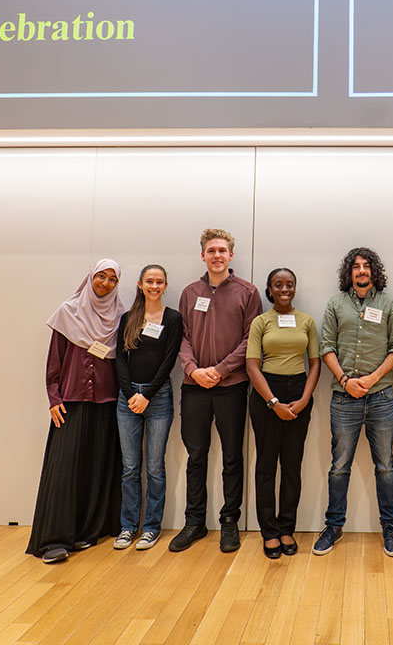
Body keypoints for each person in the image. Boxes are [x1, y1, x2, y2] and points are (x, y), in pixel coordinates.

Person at [26, 259, 125, 564]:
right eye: (100, 276)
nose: (105, 283)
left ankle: (86, 531)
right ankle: (54, 539)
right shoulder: (69, 312)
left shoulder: (120, 318)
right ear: (90, 277)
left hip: (107, 404)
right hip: (71, 402)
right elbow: (54, 362)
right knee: (64, 472)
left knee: (97, 470)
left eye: (112, 279)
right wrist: (54, 398)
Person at [170, 228, 262, 554]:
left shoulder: (248, 292)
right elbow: (181, 336)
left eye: (222, 250)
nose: (217, 255)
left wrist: (221, 371)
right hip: (194, 387)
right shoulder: (189, 292)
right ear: (203, 255)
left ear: (231, 255)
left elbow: (252, 339)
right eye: (211, 251)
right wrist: (194, 369)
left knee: (232, 457)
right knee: (196, 457)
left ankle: (229, 522)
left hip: (232, 388)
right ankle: (194, 522)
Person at [312, 248, 393, 557]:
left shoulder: (389, 303)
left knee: (386, 467)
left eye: (366, 266)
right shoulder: (336, 304)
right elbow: (326, 346)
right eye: (356, 267)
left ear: (374, 271)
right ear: (349, 272)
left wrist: (370, 379)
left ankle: (389, 528)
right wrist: (345, 380)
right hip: (343, 398)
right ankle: (334, 526)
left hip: (380, 397)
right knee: (339, 467)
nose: (361, 271)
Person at [246, 268, 321, 559]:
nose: (285, 289)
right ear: (270, 289)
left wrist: (303, 399)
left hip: (299, 392)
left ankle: (287, 527)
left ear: (295, 288)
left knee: (292, 465)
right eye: (278, 285)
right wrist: (273, 402)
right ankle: (269, 532)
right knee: (266, 466)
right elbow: (252, 365)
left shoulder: (307, 321)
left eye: (290, 284)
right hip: (267, 393)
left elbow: (314, 363)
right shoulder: (260, 322)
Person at [113, 264, 183, 552]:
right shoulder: (129, 318)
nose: (154, 286)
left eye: (159, 282)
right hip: (127, 399)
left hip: (159, 397)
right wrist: (131, 394)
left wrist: (147, 395)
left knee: (155, 467)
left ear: (165, 286)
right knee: (130, 468)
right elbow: (119, 359)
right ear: (140, 284)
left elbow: (169, 361)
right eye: (149, 281)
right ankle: (128, 527)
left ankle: (151, 527)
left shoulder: (174, 318)